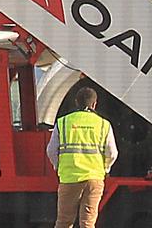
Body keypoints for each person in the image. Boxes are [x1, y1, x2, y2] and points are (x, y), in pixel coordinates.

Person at [46, 87, 118, 228]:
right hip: (94, 179)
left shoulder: (63, 122)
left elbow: (51, 150)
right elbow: (112, 153)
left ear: (76, 102)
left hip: (69, 178)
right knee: (87, 223)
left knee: (64, 222)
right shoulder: (104, 124)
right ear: (94, 104)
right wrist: (105, 169)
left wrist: (59, 166)